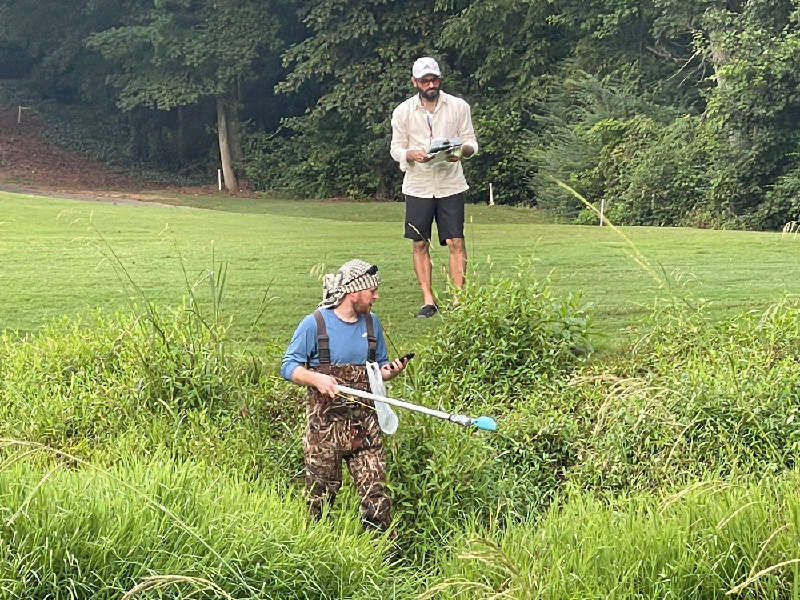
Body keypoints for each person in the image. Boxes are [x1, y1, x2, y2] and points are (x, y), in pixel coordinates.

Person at [281, 259, 410, 532]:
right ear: (354, 292)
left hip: (365, 429)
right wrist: (316, 378)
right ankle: (316, 552)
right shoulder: (314, 324)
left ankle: (379, 560)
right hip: (324, 433)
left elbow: (379, 369)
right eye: (372, 290)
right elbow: (288, 367)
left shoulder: (372, 324)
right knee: (319, 502)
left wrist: (390, 371)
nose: (377, 296)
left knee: (377, 499)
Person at [390, 56, 479, 319]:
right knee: (419, 242)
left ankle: (458, 299)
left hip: (450, 182)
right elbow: (395, 148)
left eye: (434, 79)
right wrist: (410, 154)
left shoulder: (458, 106)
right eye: (425, 80)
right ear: (414, 82)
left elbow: (472, 143)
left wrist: (460, 151)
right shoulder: (403, 111)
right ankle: (428, 301)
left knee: (456, 241)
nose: (430, 84)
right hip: (418, 184)